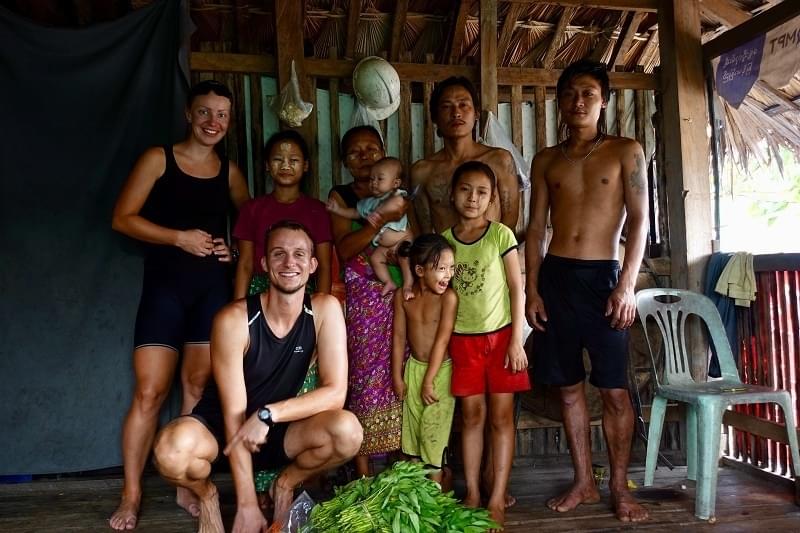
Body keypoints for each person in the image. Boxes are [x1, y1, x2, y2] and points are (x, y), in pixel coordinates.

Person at [152, 221, 362, 533]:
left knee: (348, 432)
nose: (290, 263)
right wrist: (246, 505)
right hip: (222, 432)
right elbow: (235, 414)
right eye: (279, 254)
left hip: (278, 429)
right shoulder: (234, 319)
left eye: (299, 255)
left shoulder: (324, 309)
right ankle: (207, 497)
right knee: (169, 450)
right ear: (264, 264)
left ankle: (285, 484)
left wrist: (269, 414)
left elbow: (334, 394)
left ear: (313, 264)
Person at [109, 80, 250, 530]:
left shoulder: (229, 171)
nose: (214, 122)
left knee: (196, 386)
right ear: (189, 114)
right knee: (149, 393)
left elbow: (249, 226)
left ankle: (183, 484)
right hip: (165, 289)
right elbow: (122, 218)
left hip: (211, 289)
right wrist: (178, 237)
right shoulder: (159, 159)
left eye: (222, 115)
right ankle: (131, 495)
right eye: (205, 113)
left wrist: (233, 249)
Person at [525, 59, 649, 523]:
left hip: (605, 280)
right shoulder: (546, 159)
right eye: (571, 94)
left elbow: (639, 220)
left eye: (589, 95)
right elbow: (536, 228)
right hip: (556, 279)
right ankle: (584, 482)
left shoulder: (625, 151)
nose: (579, 102)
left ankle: (619, 486)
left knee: (615, 390)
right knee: (569, 389)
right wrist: (531, 290)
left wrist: (627, 285)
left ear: (603, 102)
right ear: (560, 101)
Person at [442, 161, 530, 531]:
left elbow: (516, 287)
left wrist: (516, 341)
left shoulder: (501, 236)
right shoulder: (444, 240)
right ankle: (474, 492)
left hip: (502, 340)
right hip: (462, 342)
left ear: (492, 199)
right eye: (465, 189)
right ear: (452, 194)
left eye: (481, 192)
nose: (473, 198)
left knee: (501, 418)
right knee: (472, 418)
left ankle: (497, 497)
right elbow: (437, 289)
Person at [327, 125, 408, 478]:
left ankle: (401, 464)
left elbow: (411, 238)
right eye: (354, 151)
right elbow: (345, 249)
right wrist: (379, 224)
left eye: (371, 149)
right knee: (363, 370)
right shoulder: (343, 197)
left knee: (401, 365)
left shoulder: (400, 196)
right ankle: (363, 469)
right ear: (344, 161)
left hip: (397, 288)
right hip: (361, 294)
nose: (364, 156)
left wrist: (393, 241)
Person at [410, 76, 519, 234]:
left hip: (491, 256)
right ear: (434, 117)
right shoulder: (422, 172)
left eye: (463, 105)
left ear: (476, 113)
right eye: (447, 106)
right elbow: (424, 232)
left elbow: (509, 224)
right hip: (445, 257)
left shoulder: (500, 160)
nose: (456, 113)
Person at [391, 234, 458, 484]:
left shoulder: (448, 299)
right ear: (419, 270)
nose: (448, 275)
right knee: (413, 443)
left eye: (451, 268)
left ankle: (437, 504)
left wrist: (429, 380)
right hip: (413, 370)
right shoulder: (403, 297)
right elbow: (398, 337)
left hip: (440, 374)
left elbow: (442, 341)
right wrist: (397, 376)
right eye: (441, 269)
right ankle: (419, 507)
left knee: (433, 440)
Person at [233, 130, 332, 298]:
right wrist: (239, 307)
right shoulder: (251, 209)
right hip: (260, 290)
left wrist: (320, 306)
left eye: (294, 160)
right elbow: (245, 264)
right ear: (266, 165)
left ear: (305, 165)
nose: (285, 166)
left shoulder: (318, 210)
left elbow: (324, 266)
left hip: (302, 290)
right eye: (278, 159)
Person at [327, 156, 413, 297]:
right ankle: (388, 282)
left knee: (405, 258)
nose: (374, 183)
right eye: (371, 179)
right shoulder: (369, 203)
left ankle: (408, 286)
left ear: (396, 183)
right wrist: (337, 209)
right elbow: (355, 213)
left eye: (380, 179)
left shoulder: (397, 195)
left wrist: (380, 213)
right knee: (375, 259)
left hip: (402, 241)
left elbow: (396, 204)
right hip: (384, 247)